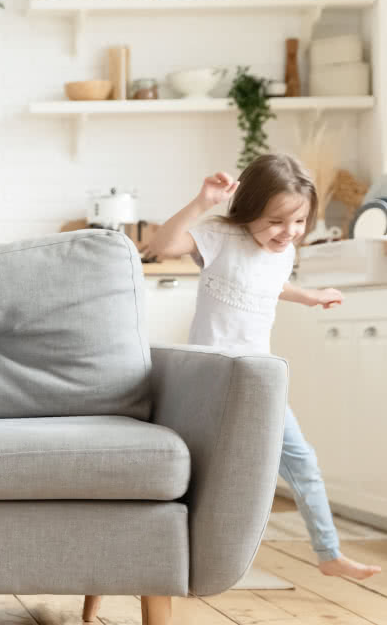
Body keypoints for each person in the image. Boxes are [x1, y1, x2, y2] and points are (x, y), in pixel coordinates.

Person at [146, 153, 382, 581]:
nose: (287, 233)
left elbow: (268, 284)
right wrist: (202, 201)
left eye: (298, 223)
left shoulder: (282, 251)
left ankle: (328, 553)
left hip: (259, 381)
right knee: (202, 471)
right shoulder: (220, 236)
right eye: (276, 222)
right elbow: (162, 246)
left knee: (303, 464)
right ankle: (173, 554)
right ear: (250, 208)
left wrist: (309, 296)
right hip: (212, 381)